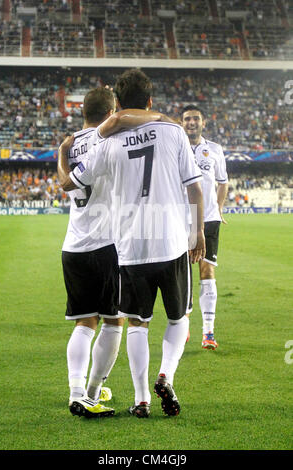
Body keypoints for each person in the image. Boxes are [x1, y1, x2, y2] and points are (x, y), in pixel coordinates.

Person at [60, 69, 205, 418]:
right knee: (176, 317)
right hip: (164, 240)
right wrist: (198, 232)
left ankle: (137, 399)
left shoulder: (104, 141)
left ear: (118, 105)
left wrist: (64, 153)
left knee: (133, 323)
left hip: (123, 245)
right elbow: (195, 187)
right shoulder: (173, 130)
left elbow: (70, 183)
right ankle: (164, 375)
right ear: (150, 102)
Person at [58, 86, 166, 418]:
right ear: (112, 111)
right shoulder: (111, 137)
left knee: (83, 323)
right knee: (114, 321)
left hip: (73, 245)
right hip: (108, 244)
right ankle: (89, 394)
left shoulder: (71, 143)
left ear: (82, 113)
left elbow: (65, 183)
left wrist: (61, 154)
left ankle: (77, 390)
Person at [181, 104, 228, 350]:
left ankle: (208, 332)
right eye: (187, 118)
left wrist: (218, 209)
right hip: (183, 218)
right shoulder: (176, 148)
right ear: (182, 123)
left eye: (195, 118)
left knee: (207, 272)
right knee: (183, 276)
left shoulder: (215, 150)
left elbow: (223, 182)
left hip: (208, 219)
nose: (192, 122)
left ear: (203, 122)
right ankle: (183, 327)